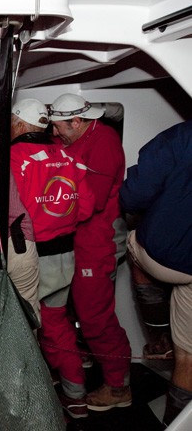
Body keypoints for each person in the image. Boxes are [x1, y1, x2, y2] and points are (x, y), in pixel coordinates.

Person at [10, 98, 94, 418]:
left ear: (18, 123)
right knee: (57, 325)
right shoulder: (69, 156)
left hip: (29, 256)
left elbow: (6, 211)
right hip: (65, 256)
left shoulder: (13, 158)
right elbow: (85, 208)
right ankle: (76, 396)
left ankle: (27, 401)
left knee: (21, 329)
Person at [49, 93, 132, 411]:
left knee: (96, 318)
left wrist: (44, 205)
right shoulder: (73, 139)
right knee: (74, 311)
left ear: (78, 121)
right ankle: (85, 361)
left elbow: (89, 204)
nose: (56, 135)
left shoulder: (104, 143)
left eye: (60, 128)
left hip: (97, 246)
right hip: (75, 243)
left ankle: (118, 387)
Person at [119, 120, 192, 426]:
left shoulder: (180, 137)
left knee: (133, 245)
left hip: (169, 259)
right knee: (189, 357)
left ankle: (160, 337)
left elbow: (134, 195)